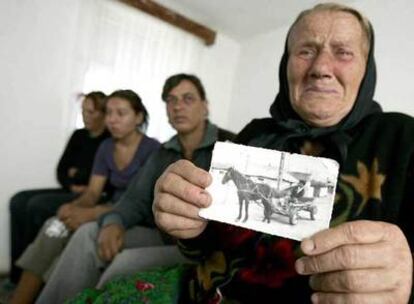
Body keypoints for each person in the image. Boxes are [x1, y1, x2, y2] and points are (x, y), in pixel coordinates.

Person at [153, 3, 414, 303]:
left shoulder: (402, 138)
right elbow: (205, 248)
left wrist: (407, 279)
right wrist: (185, 223)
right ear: (285, 65)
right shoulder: (255, 134)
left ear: (366, 68)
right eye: (305, 51)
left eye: (343, 52)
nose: (320, 68)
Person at [36, 74, 235, 304]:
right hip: (163, 237)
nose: (178, 106)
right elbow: (135, 200)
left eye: (188, 98)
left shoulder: (232, 146)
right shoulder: (162, 153)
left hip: (206, 249)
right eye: (170, 100)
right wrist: (113, 222)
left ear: (205, 106)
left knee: (122, 265)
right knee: (88, 234)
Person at [10, 89, 161, 304]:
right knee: (54, 226)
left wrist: (90, 213)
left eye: (121, 113)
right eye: (108, 113)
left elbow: (142, 204)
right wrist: (74, 207)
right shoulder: (106, 146)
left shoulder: (154, 150)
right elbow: (92, 192)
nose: (112, 120)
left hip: (131, 216)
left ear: (138, 117)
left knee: (78, 234)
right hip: (107, 207)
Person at [6, 91, 109, 287]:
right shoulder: (78, 135)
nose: (85, 115)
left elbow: (99, 183)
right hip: (70, 190)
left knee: (36, 205)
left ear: (103, 114)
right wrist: (72, 181)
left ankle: (34, 278)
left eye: (91, 111)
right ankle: (16, 275)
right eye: (83, 111)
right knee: (18, 200)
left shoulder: (108, 141)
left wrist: (78, 174)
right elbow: (62, 170)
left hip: (92, 197)